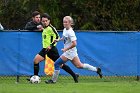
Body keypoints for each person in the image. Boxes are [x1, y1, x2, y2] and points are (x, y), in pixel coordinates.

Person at [46, 16, 103, 84]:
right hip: (72, 52)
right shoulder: (65, 29)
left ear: (70, 23)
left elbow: (74, 43)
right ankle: (96, 69)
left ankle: (53, 81)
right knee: (79, 66)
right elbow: (64, 38)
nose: (64, 23)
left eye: (66, 22)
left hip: (69, 52)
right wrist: (58, 40)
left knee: (57, 63)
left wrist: (65, 49)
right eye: (63, 22)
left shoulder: (71, 32)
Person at [28, 13, 79, 83]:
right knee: (36, 60)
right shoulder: (44, 28)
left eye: (46, 21)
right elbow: (28, 27)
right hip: (45, 49)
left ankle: (74, 75)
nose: (45, 22)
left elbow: (57, 37)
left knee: (61, 65)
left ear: (49, 21)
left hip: (51, 50)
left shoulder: (51, 28)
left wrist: (51, 45)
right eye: (43, 21)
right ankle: (35, 77)